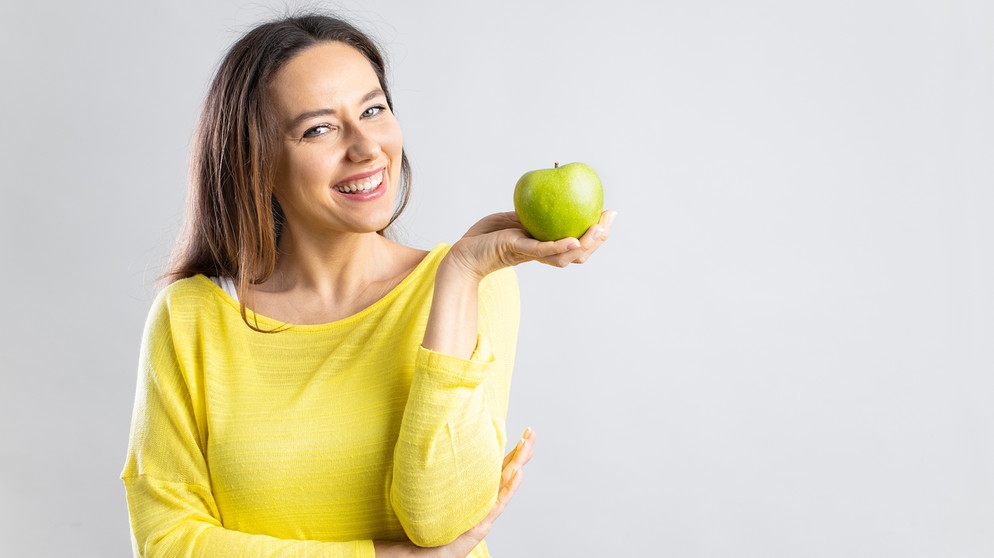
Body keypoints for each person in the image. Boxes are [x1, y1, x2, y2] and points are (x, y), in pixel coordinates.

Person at [121, 12, 615, 558]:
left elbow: (440, 521)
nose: (366, 147)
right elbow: (167, 540)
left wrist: (458, 274)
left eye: (373, 110)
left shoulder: (478, 287)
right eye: (319, 128)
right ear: (257, 162)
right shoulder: (191, 317)